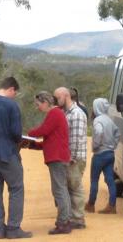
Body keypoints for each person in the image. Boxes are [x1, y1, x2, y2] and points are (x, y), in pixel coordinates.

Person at [0, 77, 32, 239]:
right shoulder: (11, 105)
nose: (14, 96)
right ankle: (14, 228)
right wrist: (21, 141)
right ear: (11, 89)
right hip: (6, 152)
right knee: (16, 188)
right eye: (14, 93)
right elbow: (16, 132)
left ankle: (0, 229)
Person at [27, 91, 71, 235]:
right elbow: (51, 139)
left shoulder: (54, 114)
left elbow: (43, 131)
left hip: (57, 158)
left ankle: (63, 222)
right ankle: (65, 220)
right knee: (61, 189)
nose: (38, 107)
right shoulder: (57, 114)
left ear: (45, 103)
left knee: (59, 190)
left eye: (38, 104)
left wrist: (29, 134)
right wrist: (34, 145)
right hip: (59, 156)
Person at [54, 87, 87, 229]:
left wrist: (71, 157)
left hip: (74, 157)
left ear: (65, 96)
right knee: (69, 187)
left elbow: (76, 138)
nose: (56, 101)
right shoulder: (66, 113)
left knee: (75, 187)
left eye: (57, 98)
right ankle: (72, 217)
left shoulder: (77, 114)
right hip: (68, 157)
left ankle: (78, 218)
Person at [85, 98, 120, 214]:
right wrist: (113, 145)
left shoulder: (98, 120)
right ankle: (112, 205)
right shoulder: (109, 120)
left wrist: (95, 146)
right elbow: (117, 133)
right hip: (110, 154)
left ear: (96, 108)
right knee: (110, 180)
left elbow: (99, 132)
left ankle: (90, 204)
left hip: (100, 154)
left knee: (94, 180)